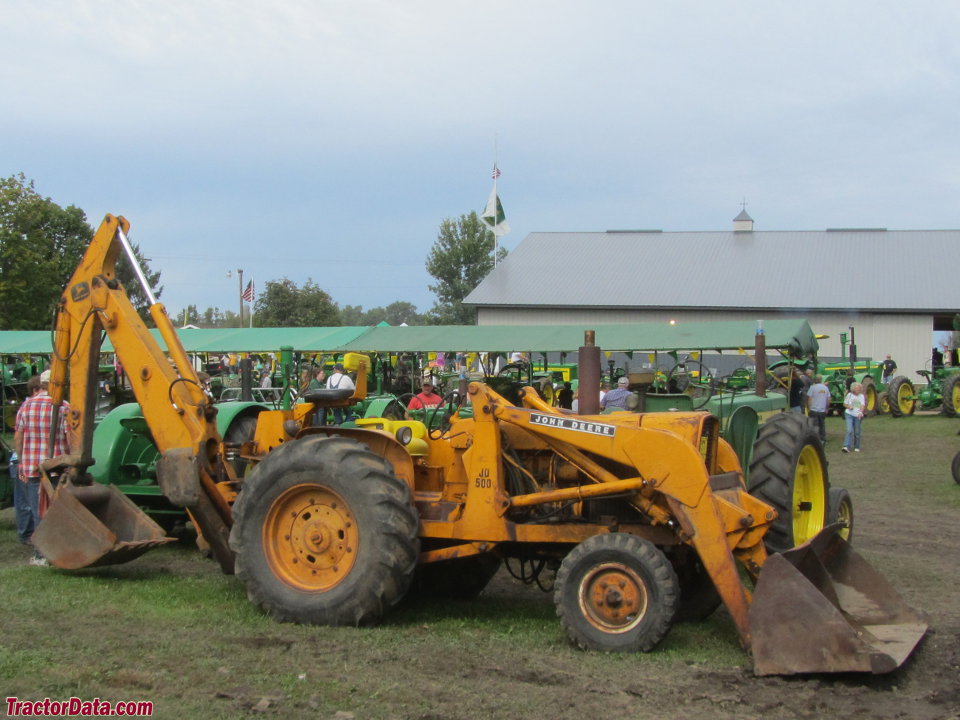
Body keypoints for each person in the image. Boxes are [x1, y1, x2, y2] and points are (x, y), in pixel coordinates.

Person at [14, 370, 71, 565]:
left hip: (33, 467)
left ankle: (41, 554)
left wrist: (21, 461)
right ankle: (60, 550)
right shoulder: (64, 407)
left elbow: (19, 436)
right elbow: (70, 436)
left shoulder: (26, 406)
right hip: (58, 468)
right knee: (58, 510)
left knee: (39, 511)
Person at [842, 382, 866, 453]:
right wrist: (849, 406)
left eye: (859, 388)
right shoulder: (849, 395)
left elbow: (862, 405)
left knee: (857, 432)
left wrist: (861, 412)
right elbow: (844, 404)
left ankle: (857, 446)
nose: (858, 389)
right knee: (849, 430)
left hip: (857, 415)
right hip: (849, 414)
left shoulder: (861, 396)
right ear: (853, 389)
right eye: (856, 388)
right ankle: (846, 446)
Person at [806, 374, 830, 444]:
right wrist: (827, 408)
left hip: (814, 409)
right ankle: (823, 439)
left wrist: (809, 408)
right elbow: (828, 399)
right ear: (821, 380)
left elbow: (809, 398)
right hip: (822, 410)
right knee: (822, 425)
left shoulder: (812, 387)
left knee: (814, 425)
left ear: (814, 380)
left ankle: (816, 440)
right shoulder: (825, 388)